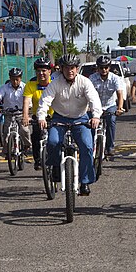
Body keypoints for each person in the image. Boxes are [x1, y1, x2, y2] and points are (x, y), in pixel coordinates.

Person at [37, 54, 102, 196]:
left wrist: (96, 116)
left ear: (77, 69)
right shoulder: (55, 83)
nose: (69, 71)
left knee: (87, 146)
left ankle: (84, 182)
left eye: (72, 67)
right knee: (53, 142)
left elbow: (94, 100)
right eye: (66, 68)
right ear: (61, 69)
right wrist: (41, 117)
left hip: (81, 118)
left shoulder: (85, 82)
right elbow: (45, 100)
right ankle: (55, 167)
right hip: (59, 118)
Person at [89, 55, 126, 158]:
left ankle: (110, 147)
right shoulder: (92, 78)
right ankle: (90, 146)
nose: (103, 70)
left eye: (106, 67)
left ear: (109, 68)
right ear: (98, 68)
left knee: (111, 122)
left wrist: (119, 108)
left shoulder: (115, 78)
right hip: (95, 106)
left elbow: (120, 94)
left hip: (110, 105)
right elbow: (87, 94)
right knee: (90, 124)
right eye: (101, 67)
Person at [22, 57, 53, 169]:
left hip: (54, 116)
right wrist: (25, 116)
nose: (41, 73)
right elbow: (26, 101)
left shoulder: (54, 83)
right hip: (38, 116)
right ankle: (38, 160)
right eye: (38, 71)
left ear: (49, 71)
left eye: (44, 70)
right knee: (36, 136)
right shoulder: (31, 84)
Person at [0, 68, 31, 156]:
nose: (15, 81)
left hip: (21, 113)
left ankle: (27, 145)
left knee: (24, 130)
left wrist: (28, 109)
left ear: (20, 78)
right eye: (13, 79)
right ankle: (6, 151)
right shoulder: (4, 87)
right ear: (9, 78)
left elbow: (29, 99)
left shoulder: (25, 87)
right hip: (8, 114)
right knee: (6, 132)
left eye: (17, 79)